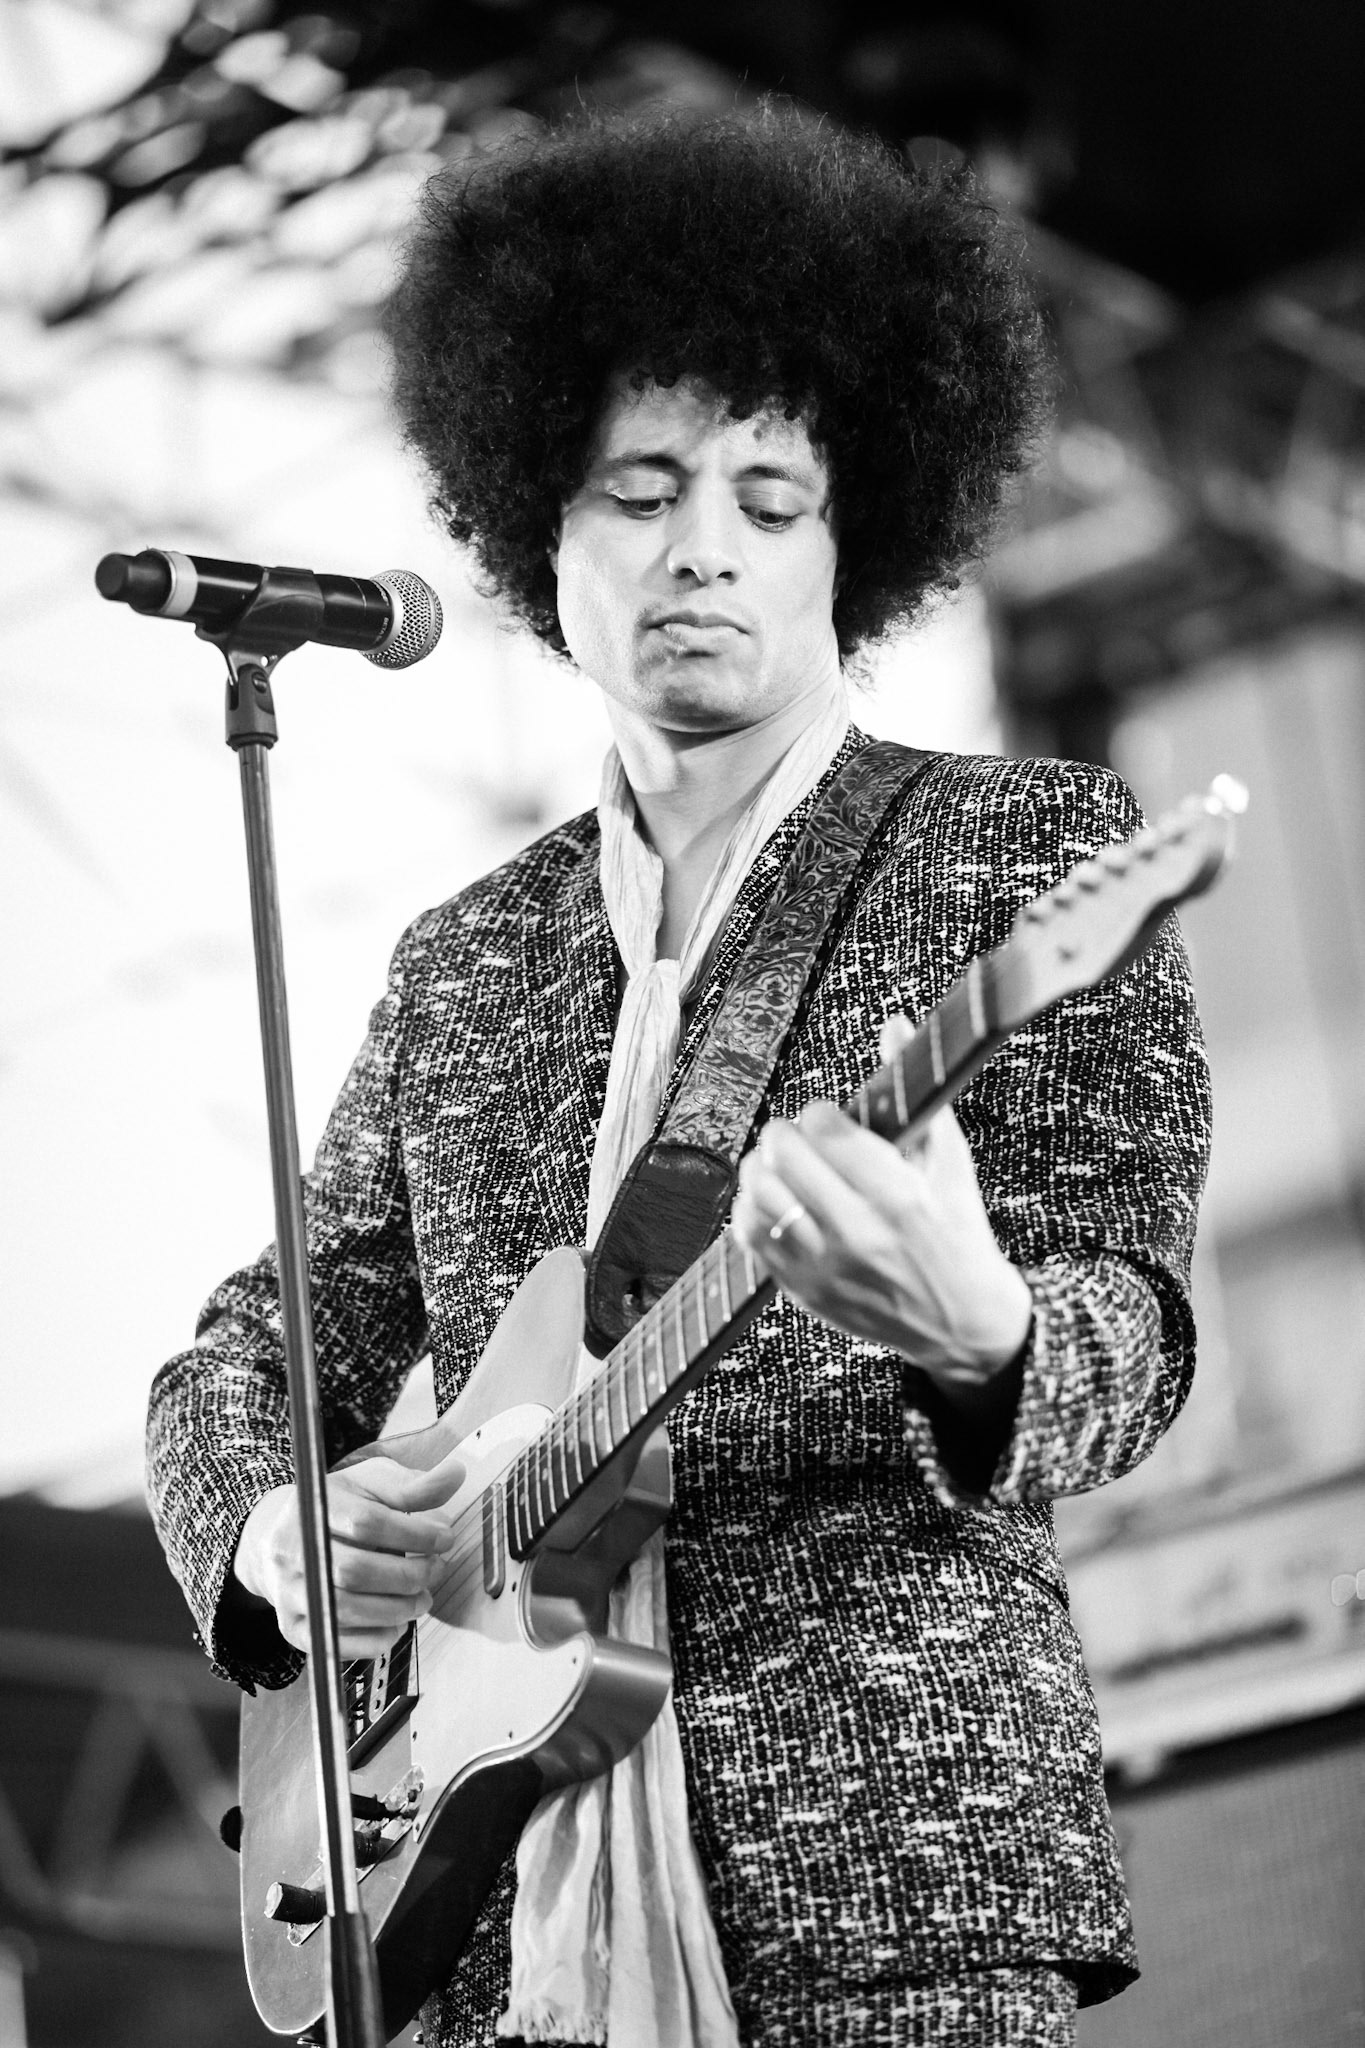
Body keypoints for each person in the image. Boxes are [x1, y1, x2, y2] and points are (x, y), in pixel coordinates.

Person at [146, 105, 1210, 2048]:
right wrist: (273, 1527)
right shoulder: (461, 963)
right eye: (635, 488)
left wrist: (984, 1336)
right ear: (531, 528)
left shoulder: (1019, 855)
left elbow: (1131, 1320)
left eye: (767, 495)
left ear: (853, 537)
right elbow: (243, 1351)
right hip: (479, 1923)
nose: (697, 548)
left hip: (881, 1880)